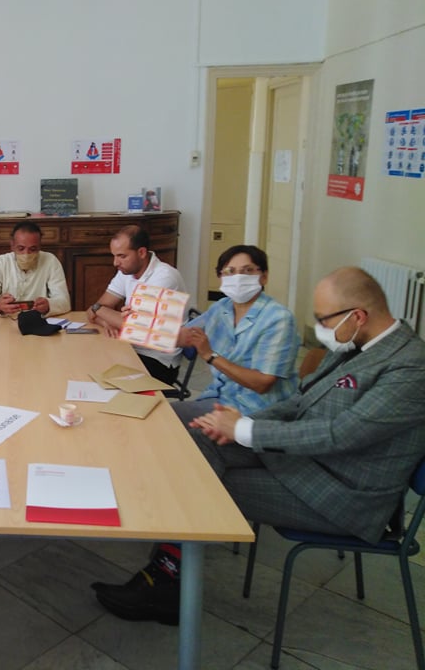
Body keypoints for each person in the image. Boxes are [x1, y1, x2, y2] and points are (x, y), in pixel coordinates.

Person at [92, 267, 425, 626]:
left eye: (324, 320)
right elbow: (300, 401)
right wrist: (239, 423)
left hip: (341, 494)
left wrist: (247, 431)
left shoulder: (410, 367)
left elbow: (341, 434)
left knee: (201, 485)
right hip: (304, 460)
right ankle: (170, 572)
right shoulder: (354, 344)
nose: (320, 329)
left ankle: (165, 584)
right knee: (196, 439)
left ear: (357, 316)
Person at [174, 245, 299, 424]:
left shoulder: (278, 319)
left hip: (258, 412)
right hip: (221, 397)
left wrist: (210, 355)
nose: (238, 278)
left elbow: (262, 384)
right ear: (220, 277)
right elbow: (183, 335)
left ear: (264, 276)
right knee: (162, 416)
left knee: (170, 427)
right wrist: (140, 323)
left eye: (247, 271)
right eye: (230, 271)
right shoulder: (221, 307)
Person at [87, 225, 187, 384]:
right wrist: (108, 321)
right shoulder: (126, 271)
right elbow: (91, 313)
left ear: (141, 253)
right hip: (130, 347)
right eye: (114, 256)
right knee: (88, 363)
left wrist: (99, 309)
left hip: (157, 359)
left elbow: (134, 328)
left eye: (122, 256)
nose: (115, 263)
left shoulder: (164, 277)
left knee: (97, 374)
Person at [0, 220, 70, 317]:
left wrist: (49, 305)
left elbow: (65, 302)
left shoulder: (50, 261)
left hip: (39, 321)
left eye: (33, 249)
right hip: (5, 321)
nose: (26, 254)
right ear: (12, 246)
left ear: (39, 247)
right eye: (21, 248)